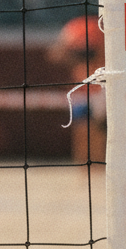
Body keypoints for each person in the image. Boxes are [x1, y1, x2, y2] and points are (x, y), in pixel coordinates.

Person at [50, 15, 106, 166]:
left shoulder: (98, 27)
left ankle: (97, 164)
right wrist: (75, 55)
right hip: (82, 89)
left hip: (100, 88)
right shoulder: (72, 28)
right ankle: (84, 166)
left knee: (98, 129)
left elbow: (104, 55)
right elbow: (55, 55)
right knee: (82, 128)